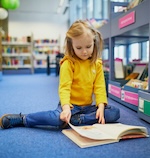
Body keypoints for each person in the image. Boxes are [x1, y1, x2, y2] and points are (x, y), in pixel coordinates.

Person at [0, 20, 120, 129]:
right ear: (71, 46)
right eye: (79, 48)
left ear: (94, 42)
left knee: (114, 112)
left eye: (88, 47)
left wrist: (100, 107)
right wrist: (66, 109)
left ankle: (77, 120)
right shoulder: (68, 63)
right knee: (57, 118)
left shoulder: (97, 64)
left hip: (88, 108)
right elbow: (64, 88)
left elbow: (99, 87)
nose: (84, 51)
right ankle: (23, 119)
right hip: (70, 105)